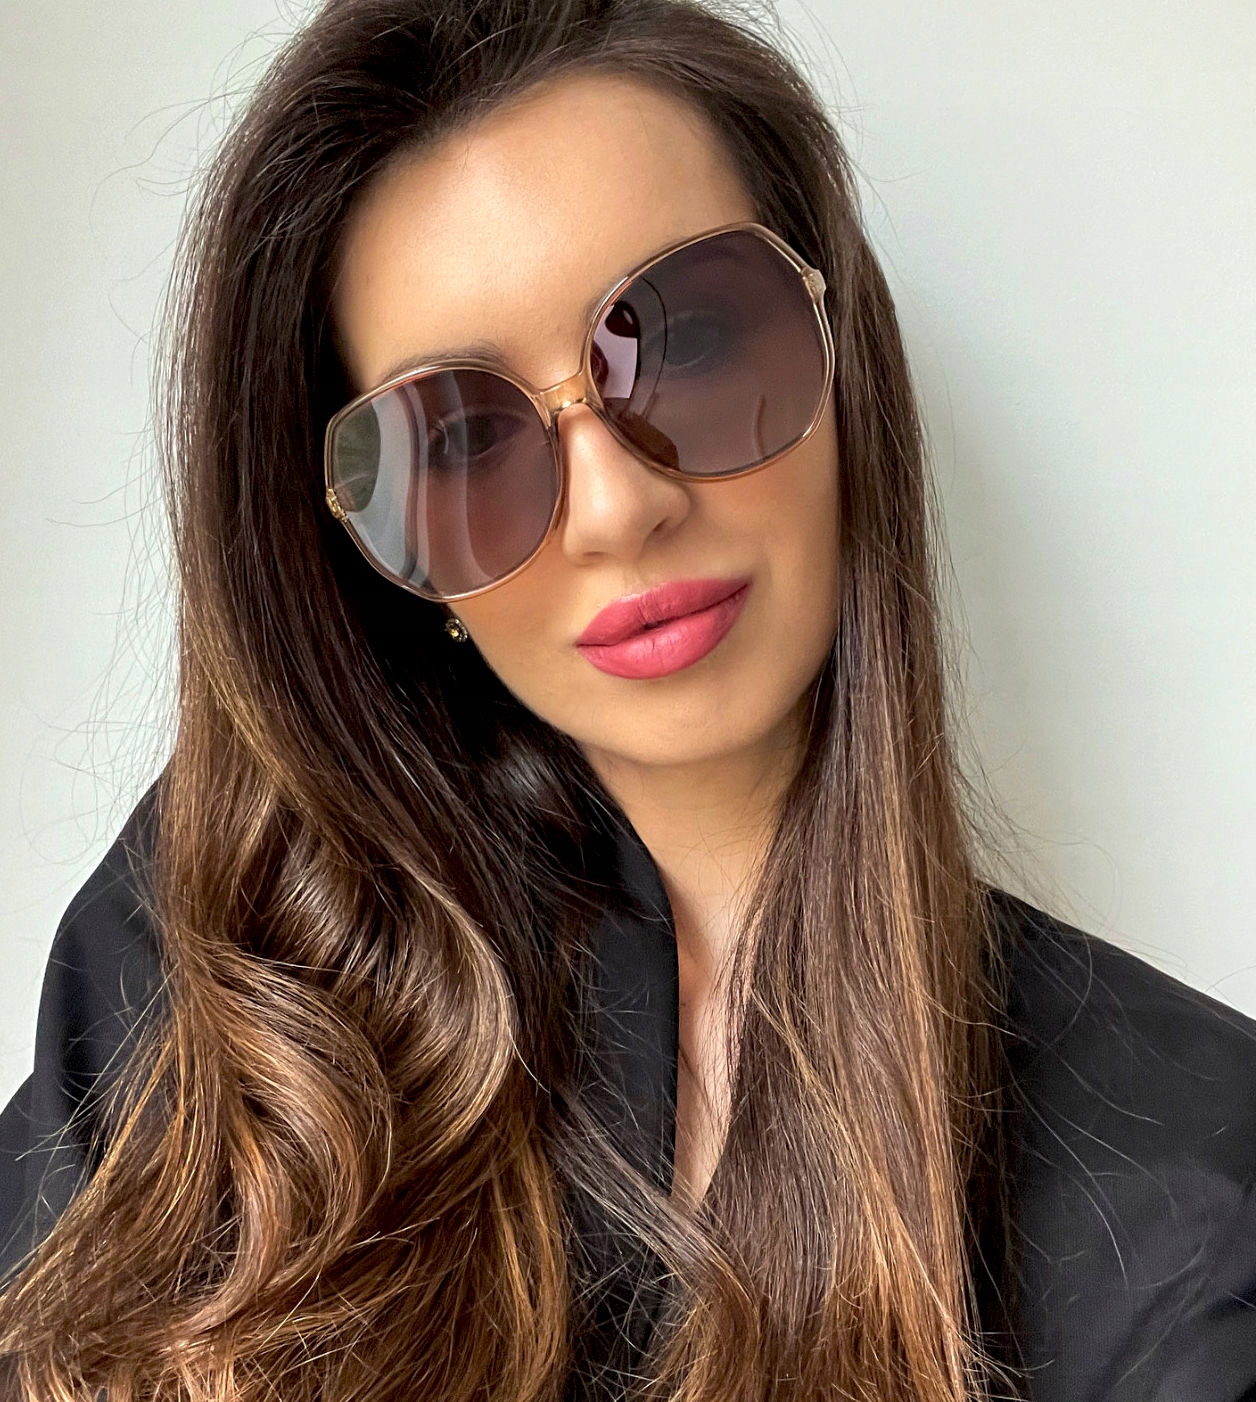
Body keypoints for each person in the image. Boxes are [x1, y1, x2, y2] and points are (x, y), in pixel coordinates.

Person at [1, 0, 1254, 1398]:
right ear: (368, 553)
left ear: (839, 344)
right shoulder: (224, 965)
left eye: (690, 340)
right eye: (460, 441)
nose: (617, 508)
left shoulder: (1194, 1173)